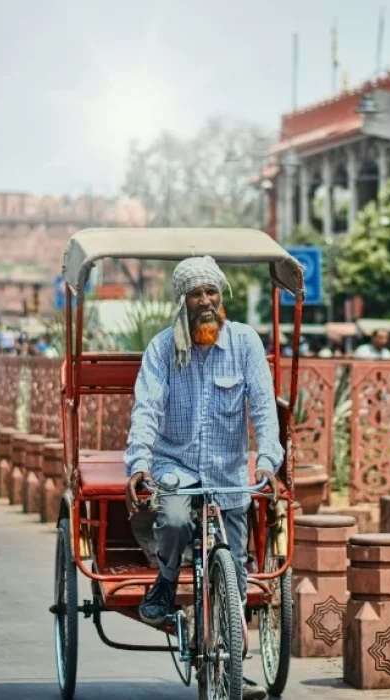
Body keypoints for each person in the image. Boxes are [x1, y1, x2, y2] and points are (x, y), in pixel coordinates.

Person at [123, 256, 280, 700]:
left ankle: (234, 667)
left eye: (212, 292)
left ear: (220, 296)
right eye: (197, 294)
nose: (206, 301)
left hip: (228, 472)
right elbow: (147, 409)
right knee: (174, 519)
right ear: (183, 301)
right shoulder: (162, 348)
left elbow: (264, 409)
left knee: (236, 572)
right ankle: (166, 581)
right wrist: (139, 463)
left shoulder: (245, 343)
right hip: (175, 465)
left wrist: (267, 461)